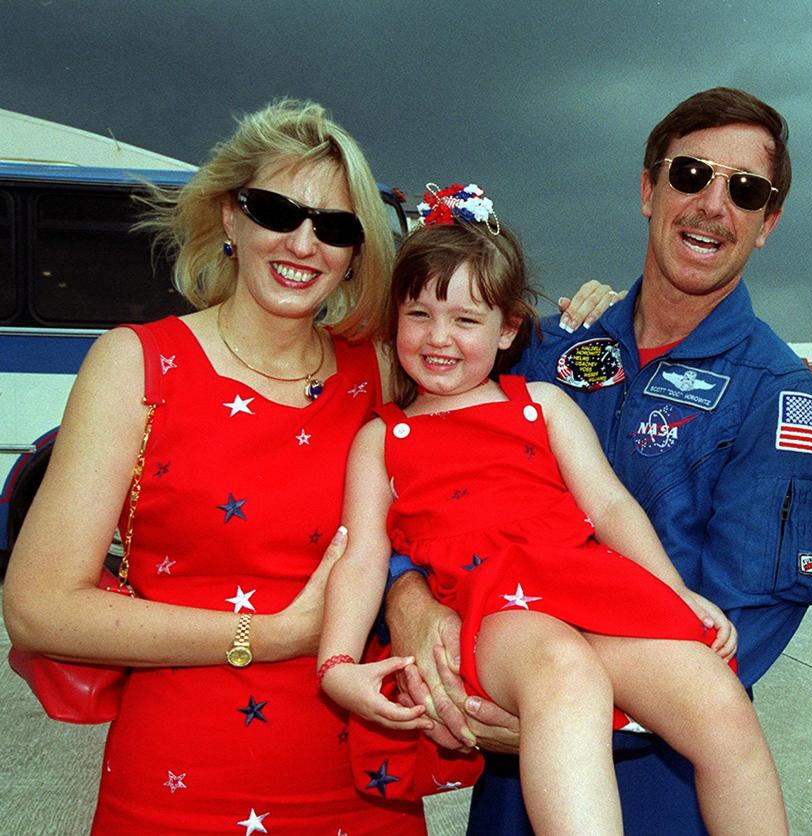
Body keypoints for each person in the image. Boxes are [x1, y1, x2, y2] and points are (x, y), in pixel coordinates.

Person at [1, 99, 465, 833]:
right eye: (277, 210)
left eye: (335, 227)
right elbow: (37, 605)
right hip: (181, 789)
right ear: (230, 218)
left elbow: (509, 429)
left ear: (354, 252)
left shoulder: (382, 369)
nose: (304, 243)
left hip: (364, 788)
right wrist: (277, 634)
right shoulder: (137, 365)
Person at [385, 87, 812, 834]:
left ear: (767, 223)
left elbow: (750, 615)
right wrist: (407, 597)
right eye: (691, 175)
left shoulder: (779, 395)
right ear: (647, 189)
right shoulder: (550, 348)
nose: (713, 205)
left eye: (746, 190)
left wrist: (574, 706)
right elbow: (425, 471)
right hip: (514, 753)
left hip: (664, 766)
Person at [318, 189, 788, 834]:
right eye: (419, 314)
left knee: (719, 700)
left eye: (465, 318)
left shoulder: (542, 402)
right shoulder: (383, 436)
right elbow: (363, 554)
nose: (438, 338)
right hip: (494, 610)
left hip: (587, 590)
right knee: (565, 675)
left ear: (508, 327)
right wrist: (338, 664)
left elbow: (610, 505)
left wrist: (674, 591)